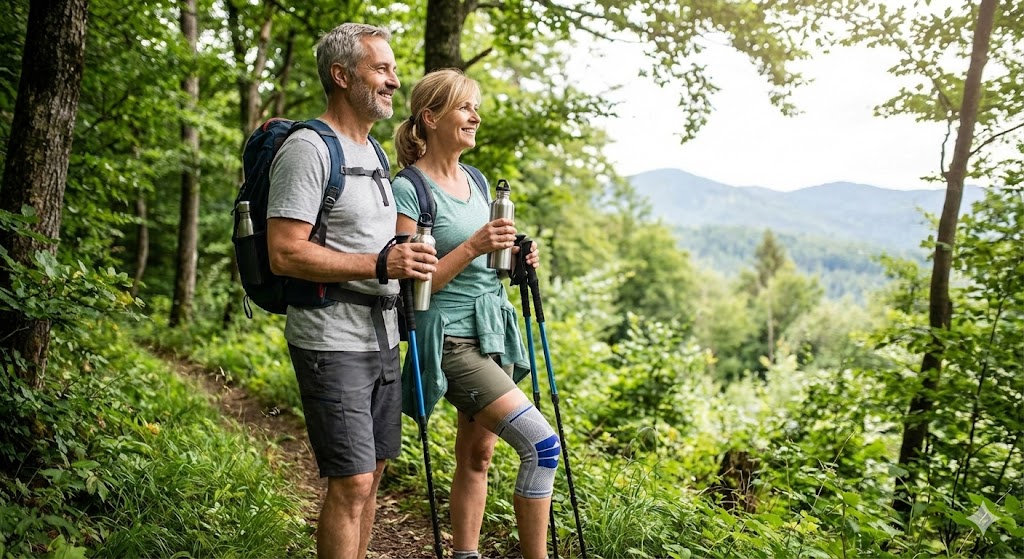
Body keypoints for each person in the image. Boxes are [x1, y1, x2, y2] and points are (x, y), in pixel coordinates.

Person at [265, 23, 438, 559]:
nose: (394, 80)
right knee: (353, 482)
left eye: (392, 69)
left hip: (383, 336)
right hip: (330, 337)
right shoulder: (308, 149)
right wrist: (381, 263)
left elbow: (385, 244)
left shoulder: (376, 155)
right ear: (342, 76)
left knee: (375, 474)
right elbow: (285, 251)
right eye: (381, 69)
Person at [392, 69, 558, 559]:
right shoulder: (410, 189)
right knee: (542, 447)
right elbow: (409, 283)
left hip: (492, 329)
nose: (475, 116)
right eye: (465, 107)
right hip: (449, 339)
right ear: (432, 117)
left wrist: (517, 256)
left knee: (477, 456)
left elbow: (487, 262)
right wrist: (472, 245)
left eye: (476, 107)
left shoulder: (477, 180)